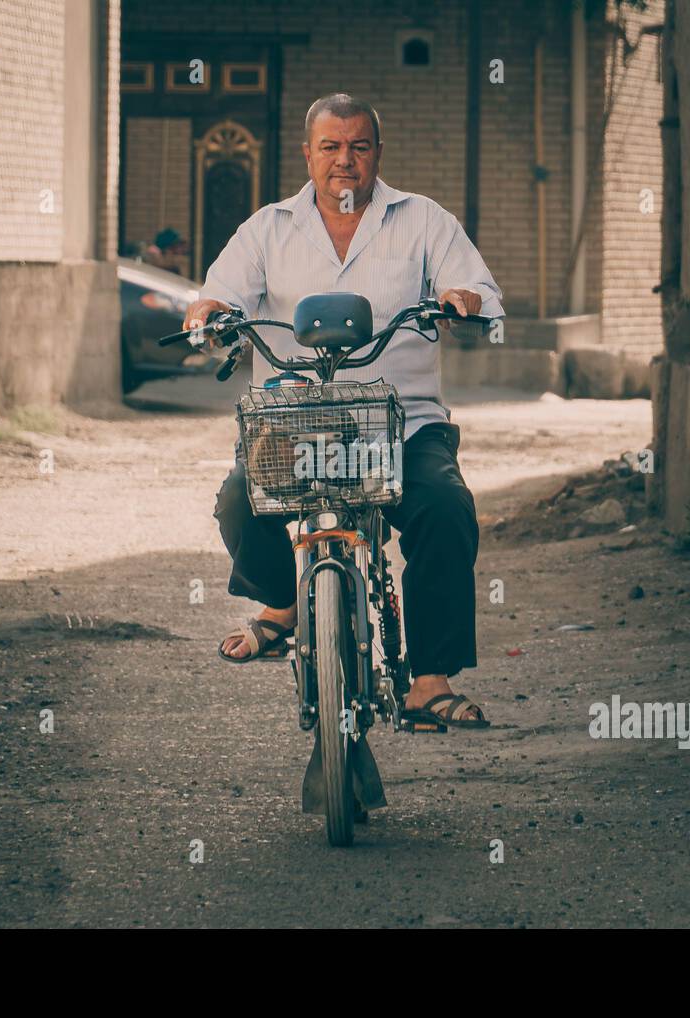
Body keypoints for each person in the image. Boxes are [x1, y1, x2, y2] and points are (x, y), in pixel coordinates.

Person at [183, 93, 504, 729]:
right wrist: (209, 313)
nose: (344, 161)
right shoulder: (268, 228)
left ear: (377, 153)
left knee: (446, 509)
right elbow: (219, 293)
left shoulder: (423, 221)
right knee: (238, 501)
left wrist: (463, 298)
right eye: (330, 147)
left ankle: (428, 682)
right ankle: (282, 607)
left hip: (402, 424)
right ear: (308, 154)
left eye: (359, 146)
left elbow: (480, 290)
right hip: (295, 422)